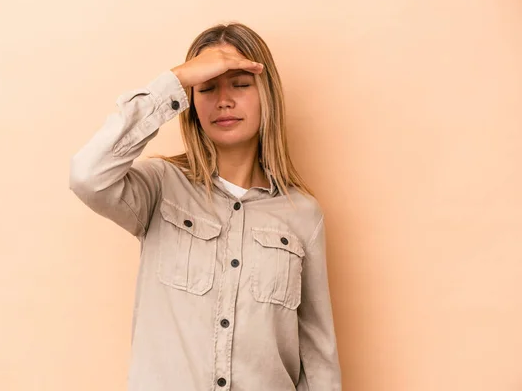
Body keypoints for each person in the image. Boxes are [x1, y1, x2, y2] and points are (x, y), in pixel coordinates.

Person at [69, 22, 341, 391]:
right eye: (207, 88)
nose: (224, 101)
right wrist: (175, 81)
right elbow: (87, 174)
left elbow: (318, 358)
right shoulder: (159, 187)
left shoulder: (303, 214)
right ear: (191, 101)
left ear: (267, 95)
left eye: (241, 85)